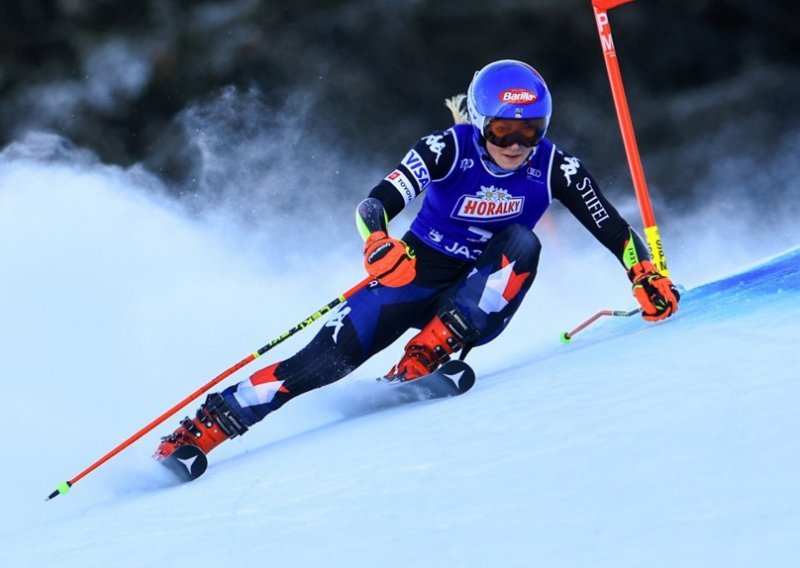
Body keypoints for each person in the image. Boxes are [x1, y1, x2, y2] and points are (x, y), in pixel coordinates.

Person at [155, 59, 679, 460]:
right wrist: (378, 242)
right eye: (503, 130)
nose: (516, 144)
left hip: (477, 290)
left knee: (523, 244)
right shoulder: (447, 148)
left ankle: (426, 354)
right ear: (479, 123)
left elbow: (609, 223)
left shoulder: (554, 166)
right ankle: (206, 428)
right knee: (320, 364)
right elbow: (374, 203)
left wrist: (642, 271)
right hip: (412, 270)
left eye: (530, 130)